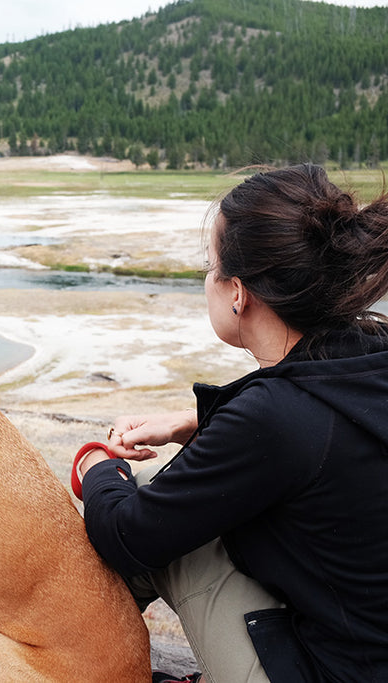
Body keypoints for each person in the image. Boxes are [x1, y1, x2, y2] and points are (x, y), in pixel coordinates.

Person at [72, 164, 388, 683]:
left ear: (238, 293)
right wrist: (191, 422)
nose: (206, 279)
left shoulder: (275, 418)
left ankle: (50, 648)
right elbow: (315, 440)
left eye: (210, 265)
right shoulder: (370, 351)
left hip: (329, 674)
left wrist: (99, 466)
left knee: (151, 504)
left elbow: (128, 536)